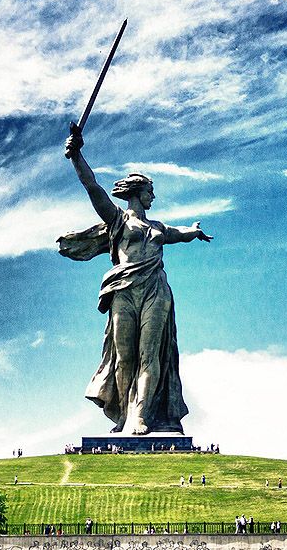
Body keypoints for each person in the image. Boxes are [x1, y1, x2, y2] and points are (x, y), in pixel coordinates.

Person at [63, 129, 212, 435]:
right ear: (137, 191)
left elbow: (181, 233)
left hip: (155, 290)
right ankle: (123, 414)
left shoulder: (159, 227)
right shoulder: (117, 219)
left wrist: (194, 230)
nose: (153, 197)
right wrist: (77, 155)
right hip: (123, 290)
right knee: (125, 357)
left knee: (150, 354)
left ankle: (140, 415)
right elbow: (92, 187)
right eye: (150, 191)